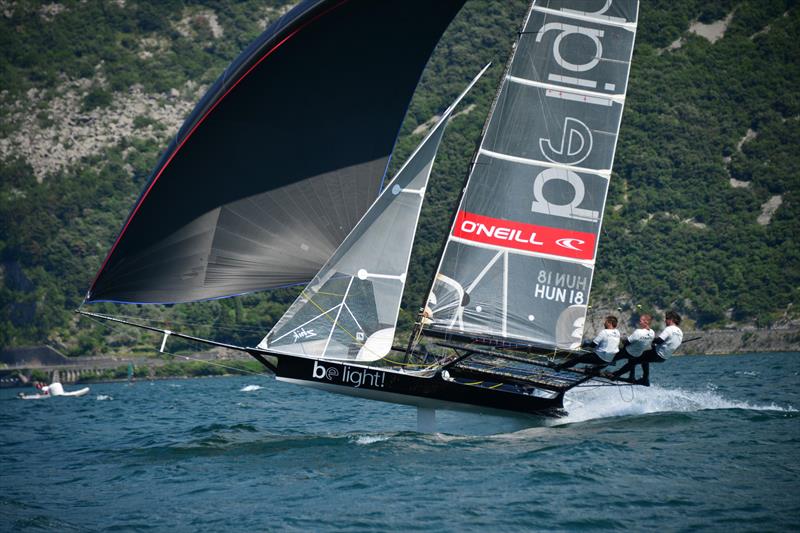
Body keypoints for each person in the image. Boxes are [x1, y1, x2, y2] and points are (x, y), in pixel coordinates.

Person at [612, 311, 683, 385]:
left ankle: (615, 375)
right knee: (644, 357)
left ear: (671, 319)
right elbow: (672, 344)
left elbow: (659, 340)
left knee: (633, 358)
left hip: (657, 353)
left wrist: (649, 340)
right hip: (664, 358)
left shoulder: (669, 329)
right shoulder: (680, 332)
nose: (665, 321)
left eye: (666, 319)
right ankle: (645, 379)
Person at [613, 314, 655, 380]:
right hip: (638, 354)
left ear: (646, 322)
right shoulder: (652, 332)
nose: (639, 322)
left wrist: (622, 340)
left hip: (628, 352)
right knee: (633, 360)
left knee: (612, 356)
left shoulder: (638, 332)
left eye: (641, 320)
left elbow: (627, 343)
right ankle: (631, 376)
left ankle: (598, 368)